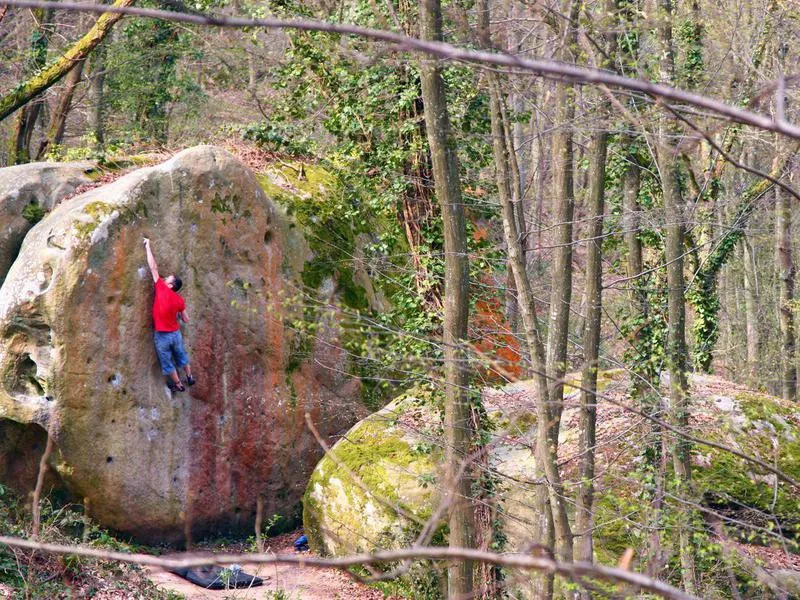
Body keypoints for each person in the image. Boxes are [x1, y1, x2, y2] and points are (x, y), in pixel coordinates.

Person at [143, 237, 195, 393]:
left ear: (171, 285)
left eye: (168, 279)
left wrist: (147, 246)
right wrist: (177, 314)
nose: (164, 279)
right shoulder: (179, 300)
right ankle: (190, 376)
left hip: (162, 336)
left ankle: (178, 384)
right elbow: (186, 319)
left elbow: (153, 267)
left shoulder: (161, 288)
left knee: (167, 362)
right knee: (181, 355)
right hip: (175, 334)